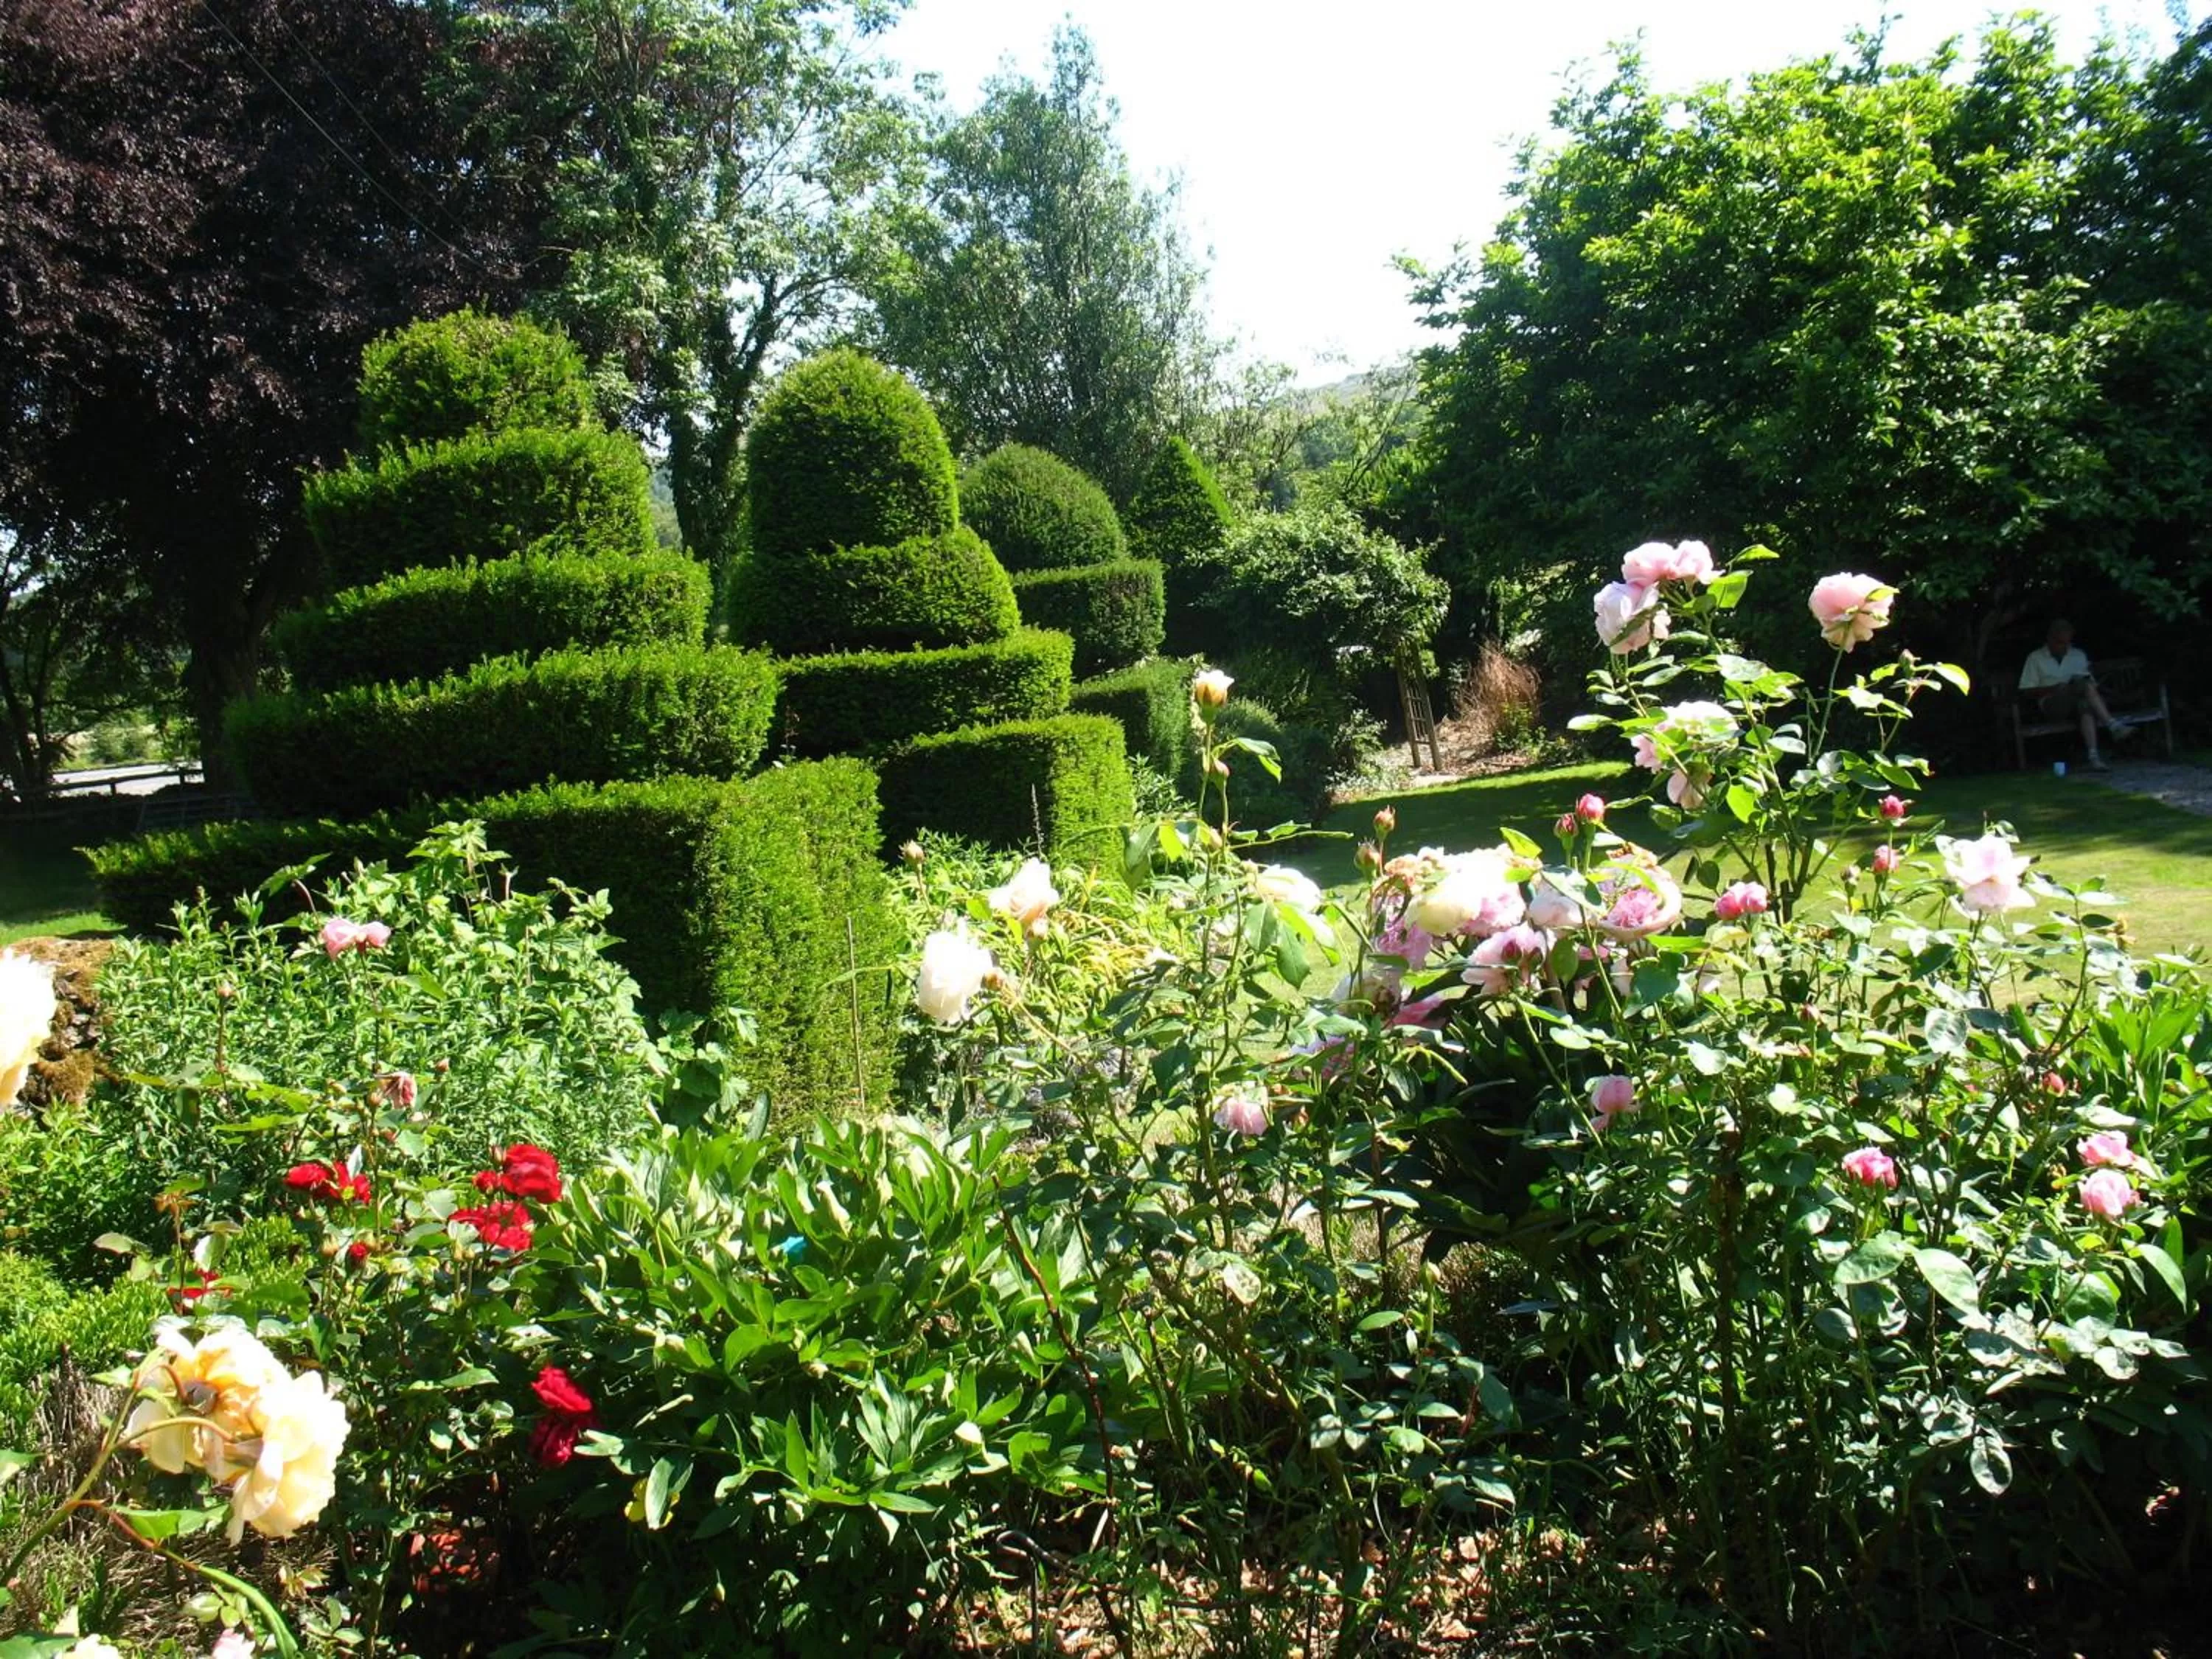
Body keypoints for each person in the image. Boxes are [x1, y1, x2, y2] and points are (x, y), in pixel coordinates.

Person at [2019, 619, 2132, 769]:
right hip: (2052, 704)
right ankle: (2113, 725)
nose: (2064, 647)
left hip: (2077, 701)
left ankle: (2094, 757)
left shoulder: (2078, 655)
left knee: (2085, 704)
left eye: (2066, 643)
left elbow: (2091, 685)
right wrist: (2054, 689)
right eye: (2059, 643)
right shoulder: (2035, 658)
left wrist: (2077, 684)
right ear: (2050, 639)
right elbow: (2026, 690)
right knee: (2083, 687)